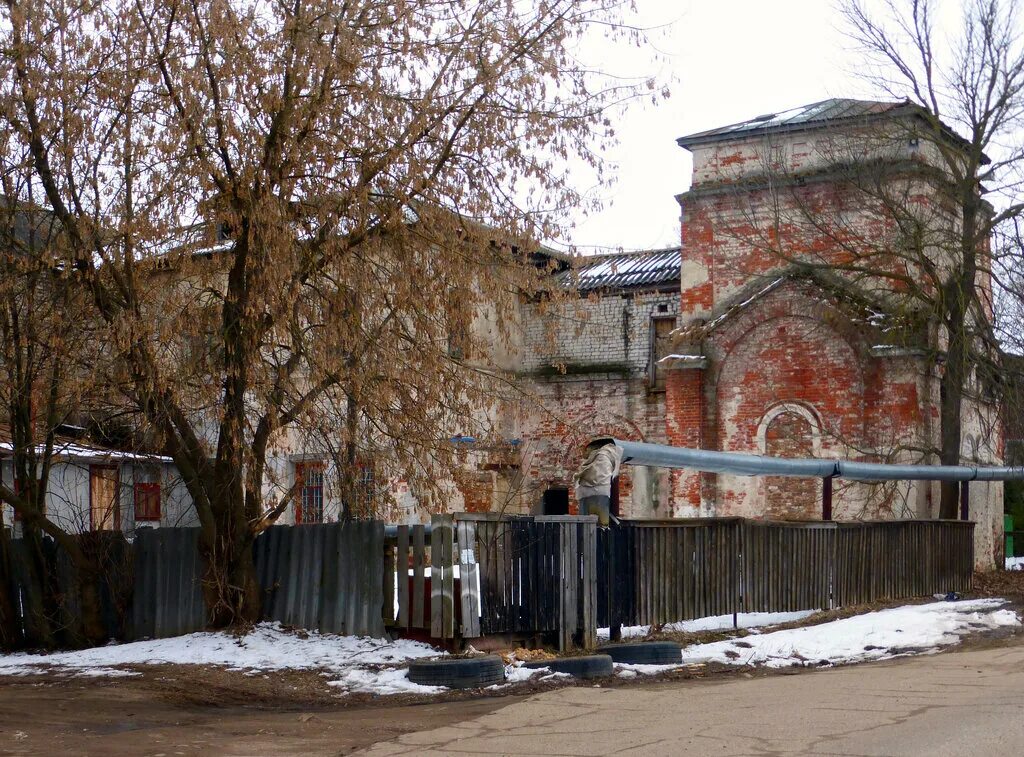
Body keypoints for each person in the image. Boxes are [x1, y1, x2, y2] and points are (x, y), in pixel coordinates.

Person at [573, 440, 622, 525]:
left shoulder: (602, 457)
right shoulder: (601, 457)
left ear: (592, 449)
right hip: (599, 495)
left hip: (598, 495)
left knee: (597, 523)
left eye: (586, 450)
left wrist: (578, 475)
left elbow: (593, 475)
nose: (584, 453)